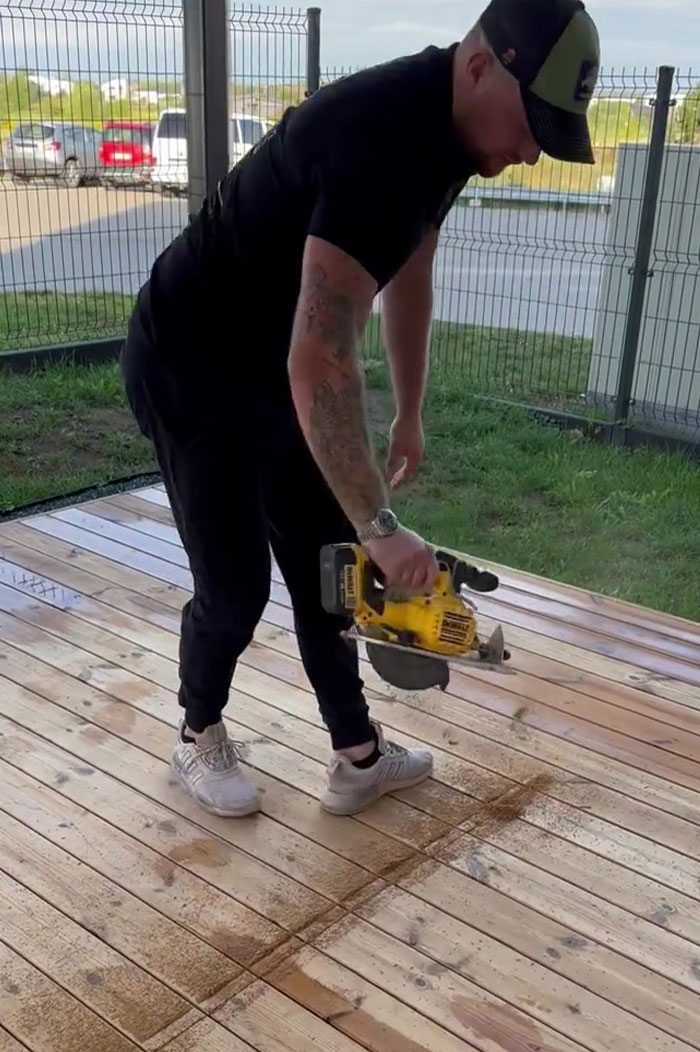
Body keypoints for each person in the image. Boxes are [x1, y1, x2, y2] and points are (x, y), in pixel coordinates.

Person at [121, 0, 600, 818]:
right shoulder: (380, 137)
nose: (529, 152)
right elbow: (322, 358)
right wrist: (381, 525)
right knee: (235, 587)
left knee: (329, 571)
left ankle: (357, 756)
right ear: (480, 66)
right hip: (191, 364)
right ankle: (197, 733)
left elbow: (410, 272)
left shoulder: (457, 135)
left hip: (278, 369)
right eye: (532, 124)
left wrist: (409, 411)